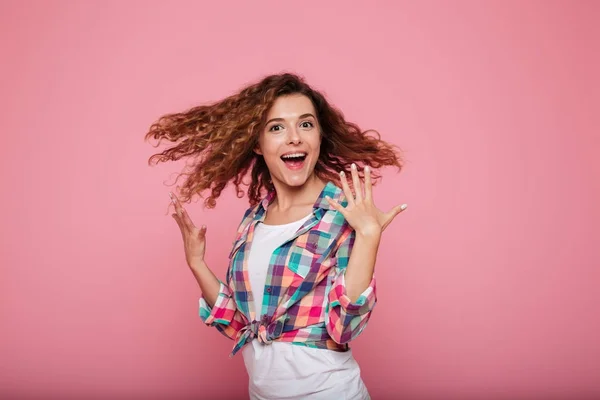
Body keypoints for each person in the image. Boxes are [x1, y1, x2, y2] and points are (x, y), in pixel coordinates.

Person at [145, 73, 407, 399]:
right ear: (258, 143)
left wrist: (368, 236)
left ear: (320, 136)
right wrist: (197, 263)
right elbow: (241, 325)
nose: (294, 138)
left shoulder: (343, 212)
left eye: (306, 124)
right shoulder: (255, 219)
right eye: (277, 127)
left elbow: (344, 329)